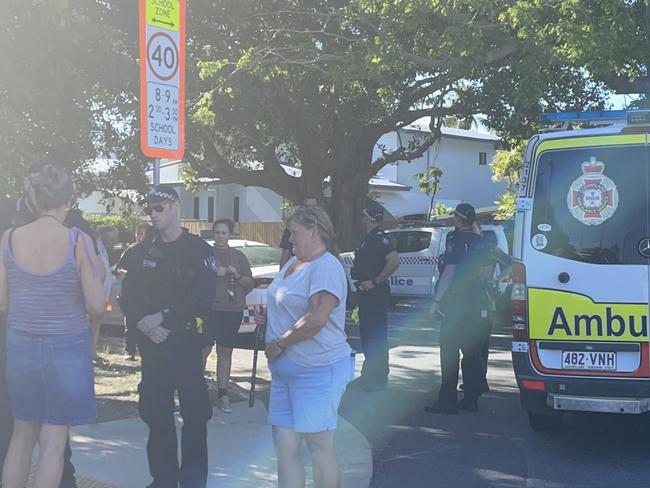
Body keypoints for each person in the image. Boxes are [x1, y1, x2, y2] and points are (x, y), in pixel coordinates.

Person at [0, 163, 105, 488]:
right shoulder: (78, 241)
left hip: (21, 346)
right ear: (68, 200)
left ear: (35, 199)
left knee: (21, 436)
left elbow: (2, 301)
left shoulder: (8, 238)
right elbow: (96, 306)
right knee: (54, 442)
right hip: (67, 350)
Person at [119, 185, 216, 488]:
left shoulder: (200, 250)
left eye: (158, 209)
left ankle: (192, 480)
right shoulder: (139, 252)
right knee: (156, 413)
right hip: (154, 345)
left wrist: (163, 317)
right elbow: (128, 296)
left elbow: (203, 298)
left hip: (186, 343)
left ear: (175, 206)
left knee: (195, 415)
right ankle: (163, 479)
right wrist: (143, 323)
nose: (152, 215)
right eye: (149, 210)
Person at [254, 205, 353, 488]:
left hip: (317, 370)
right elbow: (290, 304)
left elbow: (316, 319)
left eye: (294, 232)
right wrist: (270, 318)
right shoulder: (293, 263)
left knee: (319, 448)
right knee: (285, 449)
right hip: (285, 373)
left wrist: (279, 343)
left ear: (314, 230)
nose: (290, 238)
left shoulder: (326, 266)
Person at [426, 203, 490, 414]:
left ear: (458, 219)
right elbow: (487, 273)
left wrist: (436, 301)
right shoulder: (481, 242)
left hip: (456, 303)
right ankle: (471, 399)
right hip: (477, 302)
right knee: (471, 352)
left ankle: (447, 401)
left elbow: (449, 273)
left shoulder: (456, 240)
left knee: (449, 352)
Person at [202, 218, 254, 413]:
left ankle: (222, 393)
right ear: (213, 234)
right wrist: (214, 274)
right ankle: (199, 389)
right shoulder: (206, 254)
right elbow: (195, 280)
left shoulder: (238, 256)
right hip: (209, 309)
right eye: (217, 233)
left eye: (224, 233)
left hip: (232, 309)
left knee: (225, 351)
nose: (220, 236)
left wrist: (238, 276)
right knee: (204, 348)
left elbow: (250, 284)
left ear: (230, 235)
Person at [350, 202, 399, 392]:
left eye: (363, 217)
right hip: (366, 292)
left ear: (370, 218)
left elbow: (394, 261)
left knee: (375, 335)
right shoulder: (368, 239)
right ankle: (372, 374)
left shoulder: (380, 239)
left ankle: (376, 376)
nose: (361, 220)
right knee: (368, 334)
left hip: (375, 292)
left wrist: (376, 281)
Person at [116, 222, 153, 360]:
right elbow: (118, 268)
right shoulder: (130, 250)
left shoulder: (153, 251)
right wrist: (126, 272)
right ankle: (129, 351)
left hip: (146, 293)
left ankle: (146, 352)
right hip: (129, 292)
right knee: (131, 322)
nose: (139, 236)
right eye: (137, 233)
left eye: (142, 233)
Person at [92, 225, 120, 365]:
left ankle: (93, 352)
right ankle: (90, 352)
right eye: (114, 237)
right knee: (93, 324)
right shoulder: (96, 247)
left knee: (97, 324)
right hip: (97, 293)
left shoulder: (103, 249)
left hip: (103, 293)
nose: (116, 241)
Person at [279, 196, 319, 268]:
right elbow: (285, 255)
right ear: (302, 208)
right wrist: (281, 276)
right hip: (299, 268)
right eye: (308, 206)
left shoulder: (323, 229)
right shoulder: (291, 229)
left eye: (314, 206)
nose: (311, 209)